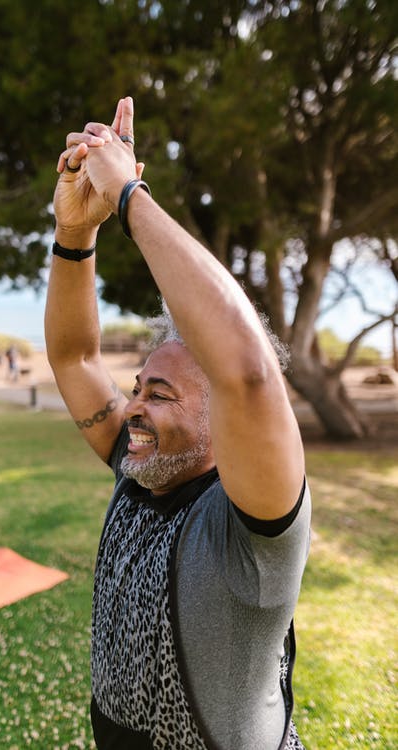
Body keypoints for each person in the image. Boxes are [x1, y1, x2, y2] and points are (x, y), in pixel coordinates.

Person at [45, 97, 310, 750]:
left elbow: (247, 371)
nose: (131, 407)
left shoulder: (251, 534)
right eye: (136, 388)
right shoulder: (140, 466)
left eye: (158, 394)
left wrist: (128, 193)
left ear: (224, 423)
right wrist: (75, 232)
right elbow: (74, 356)